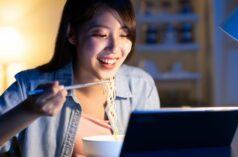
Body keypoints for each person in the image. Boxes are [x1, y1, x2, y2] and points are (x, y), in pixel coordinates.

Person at [0, 0, 160, 156]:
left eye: (124, 35)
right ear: (72, 34)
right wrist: (28, 110)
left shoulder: (141, 86)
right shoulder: (30, 86)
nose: (114, 48)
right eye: (101, 34)